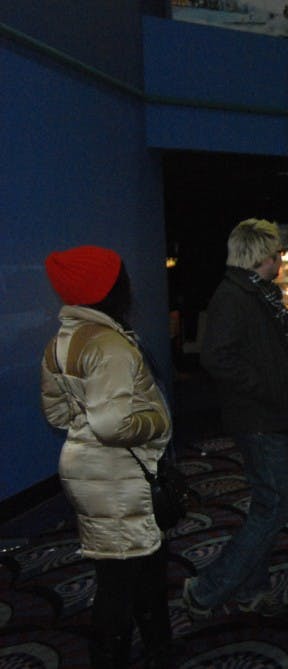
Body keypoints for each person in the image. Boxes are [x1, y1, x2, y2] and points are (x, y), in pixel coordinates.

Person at [40, 246, 173, 668]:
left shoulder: (61, 341)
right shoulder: (109, 344)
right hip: (118, 476)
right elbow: (113, 426)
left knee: (132, 570)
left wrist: (88, 420)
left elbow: (57, 414)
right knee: (123, 582)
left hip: (87, 469)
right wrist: (157, 421)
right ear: (110, 287)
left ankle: (155, 650)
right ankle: (129, 655)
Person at [183, 218, 288, 618]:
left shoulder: (255, 292)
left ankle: (252, 588)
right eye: (277, 253)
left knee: (268, 505)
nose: (281, 259)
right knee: (273, 508)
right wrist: (267, 386)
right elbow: (216, 357)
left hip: (272, 415)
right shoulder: (235, 296)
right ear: (262, 255)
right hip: (260, 419)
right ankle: (206, 590)